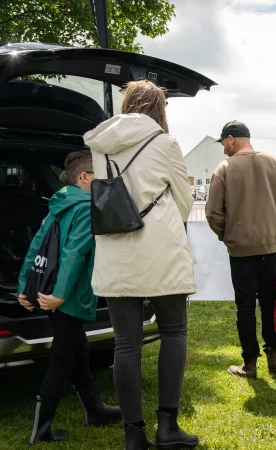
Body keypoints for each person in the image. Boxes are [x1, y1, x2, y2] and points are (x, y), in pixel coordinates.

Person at [84, 80, 198, 450]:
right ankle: (168, 426)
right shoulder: (164, 143)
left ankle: (134, 435)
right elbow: (183, 201)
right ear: (160, 109)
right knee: (174, 332)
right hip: (159, 250)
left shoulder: (100, 144)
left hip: (116, 249)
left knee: (125, 345)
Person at [17, 151, 122, 445]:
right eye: (98, 176)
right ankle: (41, 429)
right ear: (84, 177)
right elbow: (74, 253)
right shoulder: (87, 208)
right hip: (68, 296)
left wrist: (24, 285)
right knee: (62, 358)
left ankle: (95, 411)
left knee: (79, 351)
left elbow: (37, 245)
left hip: (49, 292)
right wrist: (61, 296)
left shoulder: (58, 205)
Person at [205, 120, 276, 379]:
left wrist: (227, 234)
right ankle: (273, 357)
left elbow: (212, 212)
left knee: (244, 307)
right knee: (269, 302)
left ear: (232, 139)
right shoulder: (275, 164)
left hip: (240, 248)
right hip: (271, 245)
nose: (223, 149)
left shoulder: (224, 168)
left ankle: (250, 363)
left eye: (224, 143)